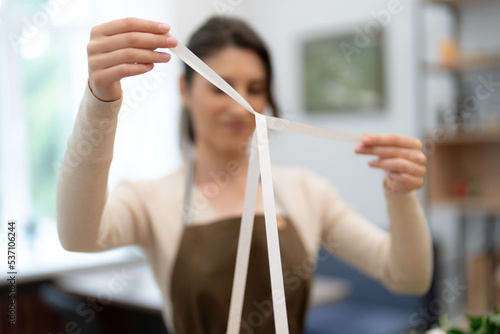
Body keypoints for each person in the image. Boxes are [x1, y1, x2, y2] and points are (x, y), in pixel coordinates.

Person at [56, 16, 433, 334]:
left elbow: (408, 278)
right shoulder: (149, 198)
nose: (241, 106)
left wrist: (401, 195)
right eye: (222, 87)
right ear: (184, 90)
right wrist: (100, 101)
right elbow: (78, 236)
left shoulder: (306, 191)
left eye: (255, 88)